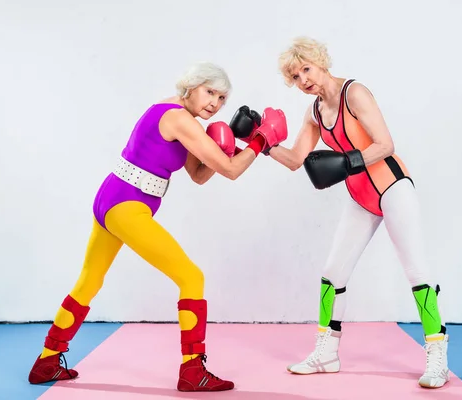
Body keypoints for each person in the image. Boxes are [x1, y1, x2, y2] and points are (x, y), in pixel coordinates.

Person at [26, 62, 288, 392]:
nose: (215, 103)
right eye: (210, 92)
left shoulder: (181, 119)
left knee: (89, 280)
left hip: (112, 198)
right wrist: (260, 140)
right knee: (192, 277)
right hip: (126, 206)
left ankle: (47, 361)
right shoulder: (178, 118)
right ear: (191, 86)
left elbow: (199, 175)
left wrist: (228, 142)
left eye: (222, 98)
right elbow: (232, 171)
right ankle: (193, 372)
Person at [264, 36, 449, 389]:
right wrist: (262, 143)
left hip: (392, 186)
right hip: (361, 195)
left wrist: (346, 162)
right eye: (296, 76)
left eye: (307, 69)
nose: (304, 79)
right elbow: (296, 161)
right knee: (332, 273)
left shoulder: (355, 93)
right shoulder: (315, 111)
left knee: (416, 271)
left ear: (320, 62)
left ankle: (437, 353)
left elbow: (385, 144)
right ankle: (326, 353)